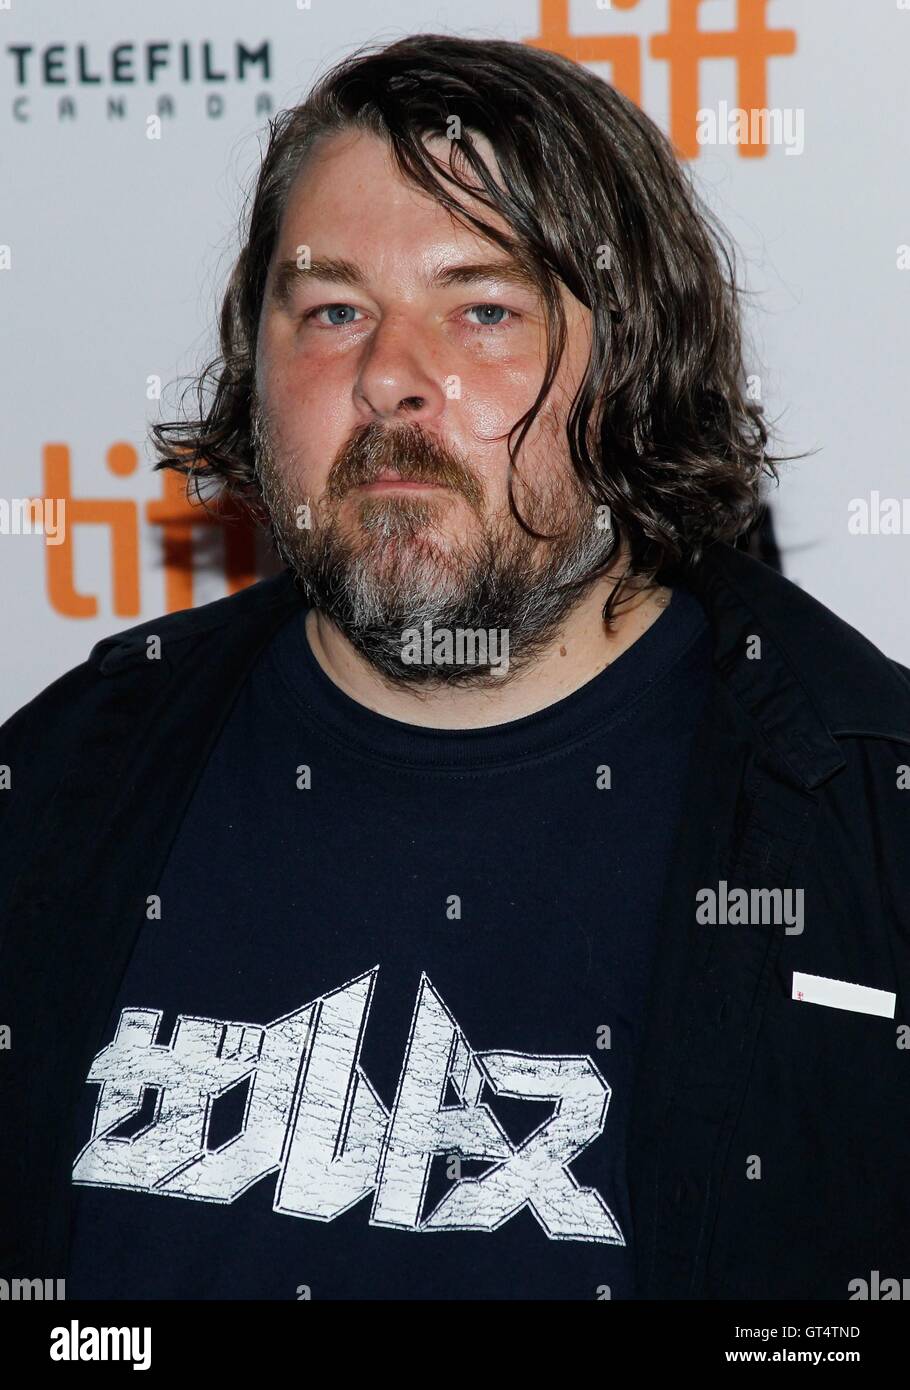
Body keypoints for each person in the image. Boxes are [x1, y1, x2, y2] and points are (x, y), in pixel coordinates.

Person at [1, 33, 908, 1302]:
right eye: (332, 311)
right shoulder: (52, 786)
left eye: (481, 309)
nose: (385, 379)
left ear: (637, 361)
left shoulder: (865, 823)